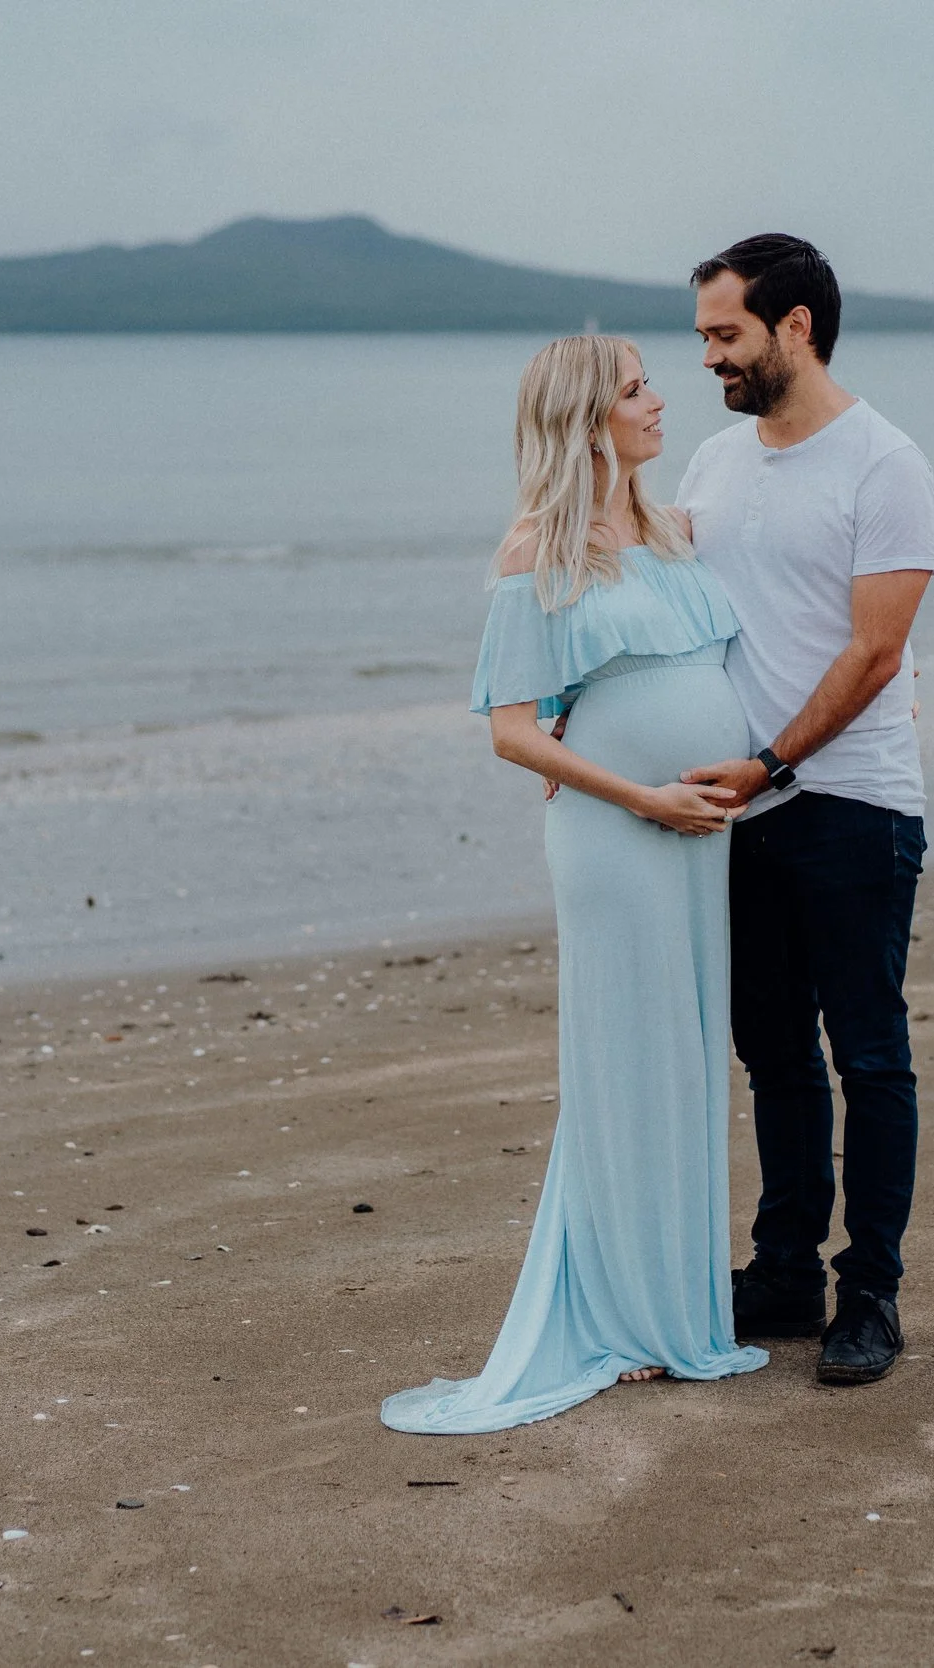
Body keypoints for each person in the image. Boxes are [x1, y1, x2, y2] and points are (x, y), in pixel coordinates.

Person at [380, 335, 768, 1434]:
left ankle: (674, 1308)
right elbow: (511, 731)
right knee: (624, 1055)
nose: (660, 402)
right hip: (616, 833)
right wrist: (638, 796)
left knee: (688, 1051)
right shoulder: (533, 550)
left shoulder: (674, 528)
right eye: (638, 389)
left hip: (699, 830)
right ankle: (620, 1315)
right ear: (587, 416)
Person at [674, 234, 934, 1388]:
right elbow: (666, 614)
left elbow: (876, 652)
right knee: (772, 1056)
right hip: (742, 813)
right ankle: (780, 1269)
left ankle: (867, 1294)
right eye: (701, 340)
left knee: (868, 1059)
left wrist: (772, 763)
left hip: (849, 805)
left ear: (795, 327)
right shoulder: (712, 461)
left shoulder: (884, 466)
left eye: (724, 335)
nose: (709, 360)